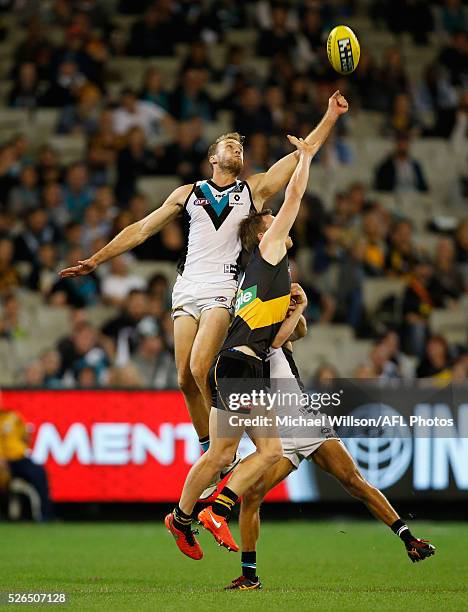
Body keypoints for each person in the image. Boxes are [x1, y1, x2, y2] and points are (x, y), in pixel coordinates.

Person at [59, 91, 348, 467]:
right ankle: (211, 449)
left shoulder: (252, 191)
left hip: (222, 288)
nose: (237, 151)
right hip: (186, 288)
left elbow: (300, 156)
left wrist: (330, 115)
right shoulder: (188, 193)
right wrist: (96, 259)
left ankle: (229, 447)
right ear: (214, 157)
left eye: (240, 148)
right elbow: (143, 228)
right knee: (183, 378)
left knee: (200, 366)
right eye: (230, 146)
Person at [165, 133, 330, 560]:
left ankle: (182, 518)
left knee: (225, 453)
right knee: (267, 450)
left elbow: (279, 339)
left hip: (242, 363)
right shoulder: (270, 252)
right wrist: (307, 154)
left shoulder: (262, 274)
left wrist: (295, 312)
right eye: (269, 219)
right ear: (262, 234)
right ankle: (215, 511)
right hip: (240, 365)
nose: (275, 219)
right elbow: (292, 192)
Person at [225, 299, 435, 590]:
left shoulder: (272, 335)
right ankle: (250, 576)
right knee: (252, 495)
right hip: (278, 435)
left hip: (306, 422)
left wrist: (296, 304)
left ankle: (408, 538)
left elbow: (299, 329)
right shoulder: (241, 345)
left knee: (354, 481)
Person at [0, 405, 54, 521]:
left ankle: (45, 515)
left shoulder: (13, 417)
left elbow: (25, 436)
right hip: (2, 460)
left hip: (18, 458)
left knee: (39, 473)